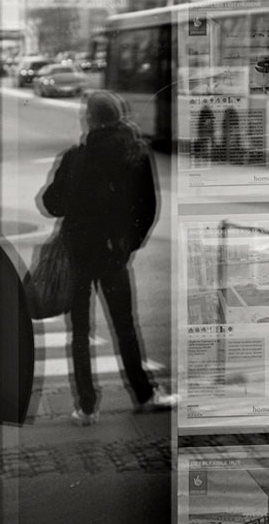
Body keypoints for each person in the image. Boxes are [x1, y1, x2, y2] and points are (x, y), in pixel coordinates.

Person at [40, 89, 177, 425]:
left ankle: (87, 406)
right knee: (125, 327)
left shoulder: (76, 157)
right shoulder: (135, 153)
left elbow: (51, 204)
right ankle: (144, 394)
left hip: (76, 252)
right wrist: (126, 244)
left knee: (80, 331)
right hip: (113, 254)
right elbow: (147, 208)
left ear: (90, 118)